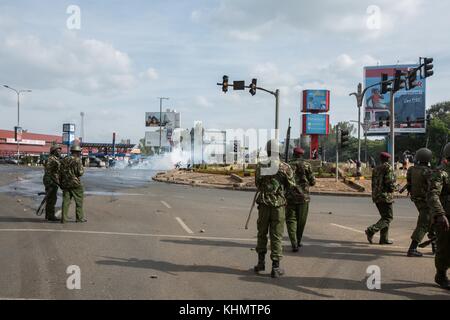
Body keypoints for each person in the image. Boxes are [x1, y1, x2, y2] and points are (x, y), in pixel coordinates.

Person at [254, 139, 295, 278]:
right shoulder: (285, 167)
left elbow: (258, 184)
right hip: (278, 206)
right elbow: (291, 186)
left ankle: (260, 263)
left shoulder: (261, 165)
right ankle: (275, 267)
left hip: (264, 205)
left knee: (262, 233)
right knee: (276, 236)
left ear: (268, 150)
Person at [427, 143, 450, 290]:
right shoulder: (440, 172)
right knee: (445, 248)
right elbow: (432, 194)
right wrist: (440, 214)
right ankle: (441, 275)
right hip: (445, 216)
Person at [286, 147, 316, 252]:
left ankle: (294, 242)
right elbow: (312, 182)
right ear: (301, 154)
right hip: (304, 197)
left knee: (291, 220)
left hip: (290, 197)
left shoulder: (287, 165)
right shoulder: (307, 165)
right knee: (301, 220)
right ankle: (298, 240)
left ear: (293, 153)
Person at [406, 148, 434, 257]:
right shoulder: (428, 172)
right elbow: (432, 186)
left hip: (417, 200)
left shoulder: (411, 169)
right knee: (423, 224)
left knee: (431, 222)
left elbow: (409, 183)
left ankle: (435, 247)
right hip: (426, 201)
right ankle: (412, 249)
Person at [365, 152, 397, 245]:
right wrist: (395, 188)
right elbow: (389, 183)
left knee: (384, 217)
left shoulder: (376, 168)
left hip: (376, 195)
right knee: (388, 217)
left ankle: (383, 239)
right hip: (385, 196)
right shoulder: (388, 168)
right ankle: (371, 230)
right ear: (388, 159)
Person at [60, 144, 86, 224]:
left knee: (66, 201)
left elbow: (60, 171)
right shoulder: (77, 160)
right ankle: (79, 218)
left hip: (65, 183)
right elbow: (80, 173)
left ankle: (63, 219)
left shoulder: (64, 159)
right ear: (77, 152)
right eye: (79, 152)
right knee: (79, 201)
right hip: (75, 184)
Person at [42, 143, 62, 221]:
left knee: (50, 198)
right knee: (52, 199)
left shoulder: (51, 158)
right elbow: (53, 172)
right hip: (50, 180)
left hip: (49, 179)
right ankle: (51, 216)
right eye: (58, 151)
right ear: (54, 151)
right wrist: (58, 182)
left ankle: (48, 215)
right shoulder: (53, 159)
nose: (60, 152)